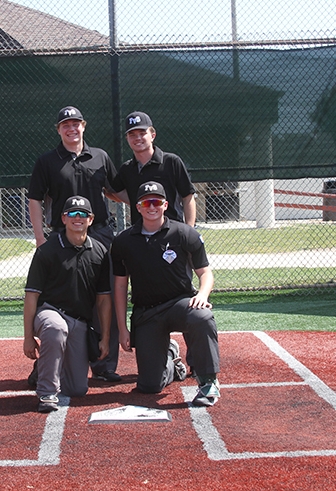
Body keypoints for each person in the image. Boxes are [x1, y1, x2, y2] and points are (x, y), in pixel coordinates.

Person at [27, 106, 127, 383]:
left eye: (76, 124)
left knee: (105, 296)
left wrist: (150, 205)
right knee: (60, 299)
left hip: (100, 235)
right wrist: (40, 238)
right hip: (62, 238)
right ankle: (46, 365)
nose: (71, 129)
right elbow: (35, 199)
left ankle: (104, 364)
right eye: (65, 125)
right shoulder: (47, 161)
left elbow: (115, 191)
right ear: (58, 130)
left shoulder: (100, 157)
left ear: (84, 126)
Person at [111, 181, 221, 407]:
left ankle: (208, 382)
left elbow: (205, 273)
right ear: (138, 207)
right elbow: (120, 287)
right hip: (146, 313)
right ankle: (171, 358)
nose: (152, 207)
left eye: (157, 202)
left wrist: (202, 294)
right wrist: (123, 328)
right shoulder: (123, 241)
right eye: (146, 202)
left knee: (202, 316)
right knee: (149, 387)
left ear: (166, 205)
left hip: (179, 304)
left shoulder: (184, 233)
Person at [23, 196, 112, 413]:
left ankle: (43, 367)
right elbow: (31, 296)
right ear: (63, 218)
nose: (78, 218)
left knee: (77, 389)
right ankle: (46, 393)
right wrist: (28, 338)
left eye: (83, 214)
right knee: (56, 328)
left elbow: (103, 300)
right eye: (72, 214)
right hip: (50, 313)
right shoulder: (47, 250)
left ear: (91, 219)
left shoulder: (100, 252)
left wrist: (106, 337)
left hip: (80, 321)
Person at [111, 111, 196, 227]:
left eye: (142, 133)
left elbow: (188, 197)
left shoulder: (171, 162)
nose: (138, 138)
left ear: (152, 135)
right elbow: (115, 193)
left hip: (172, 231)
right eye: (132, 135)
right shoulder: (127, 169)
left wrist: (189, 230)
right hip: (140, 235)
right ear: (127, 139)